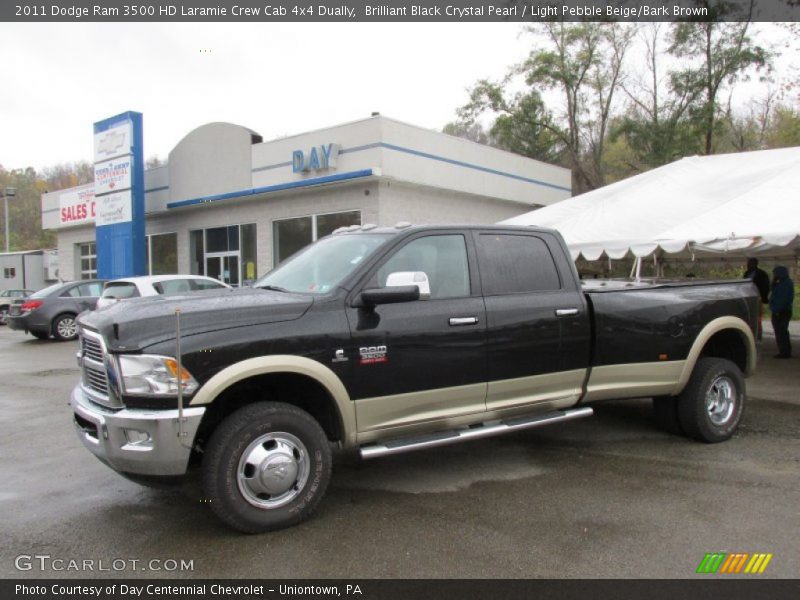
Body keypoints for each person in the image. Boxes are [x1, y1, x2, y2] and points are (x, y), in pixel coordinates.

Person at [769, 265, 794, 359]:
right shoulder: (780, 283)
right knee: (778, 331)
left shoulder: (786, 283)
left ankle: (785, 351)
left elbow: (784, 299)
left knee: (782, 331)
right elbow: (772, 291)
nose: (774, 275)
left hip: (782, 311)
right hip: (777, 310)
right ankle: (783, 350)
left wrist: (777, 309)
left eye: (775, 273)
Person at [744, 258, 770, 340]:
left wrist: (763, 297)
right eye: (748, 263)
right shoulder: (747, 273)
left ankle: (758, 337)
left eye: (750, 263)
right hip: (748, 298)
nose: (748, 265)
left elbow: (766, 286)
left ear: (755, 264)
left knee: (757, 319)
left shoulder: (762, 274)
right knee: (748, 318)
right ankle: (750, 336)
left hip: (757, 299)